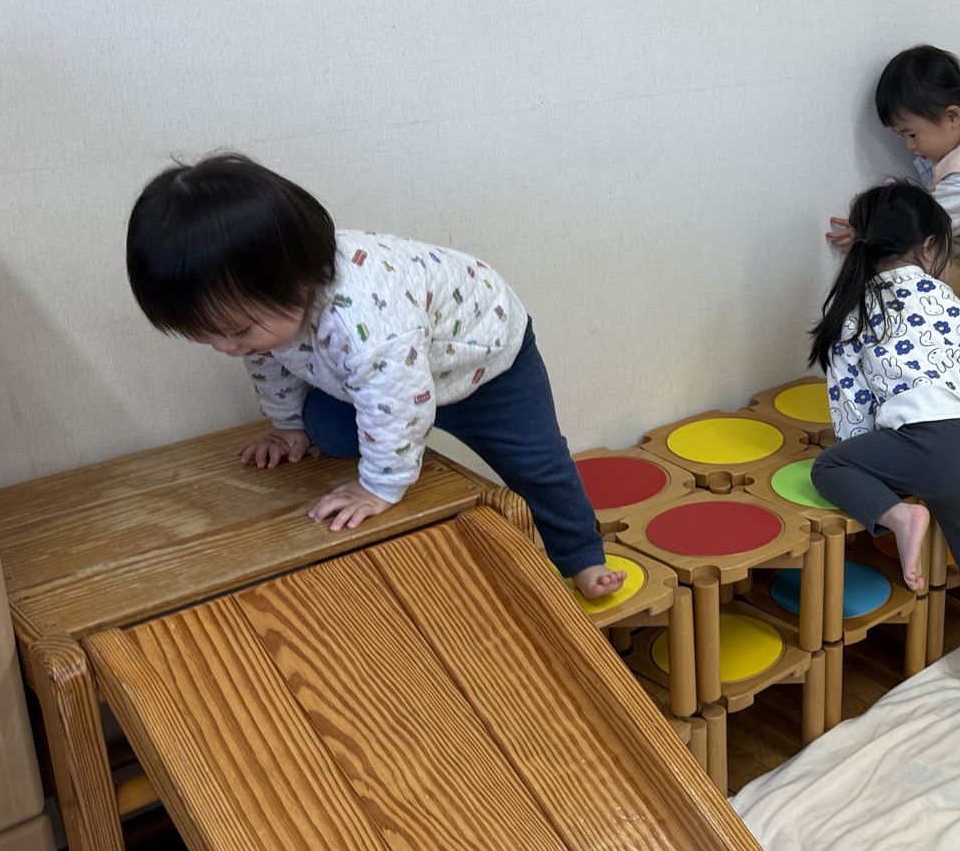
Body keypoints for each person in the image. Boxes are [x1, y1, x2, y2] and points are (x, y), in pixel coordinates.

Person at [124, 152, 622, 600]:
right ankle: (382, 440)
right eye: (207, 335)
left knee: (537, 463)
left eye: (237, 331)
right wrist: (287, 427)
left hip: (485, 362)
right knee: (327, 428)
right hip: (393, 374)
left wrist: (380, 487)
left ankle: (582, 556)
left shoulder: (365, 321)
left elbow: (399, 398)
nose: (225, 347)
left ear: (300, 280)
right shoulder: (267, 312)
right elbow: (269, 358)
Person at [809, 181, 960, 691]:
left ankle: (901, 517)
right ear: (928, 247)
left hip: (919, 441)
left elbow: (851, 400)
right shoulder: (951, 302)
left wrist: (864, 452)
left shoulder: (858, 306)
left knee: (830, 466)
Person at [828, 45, 960, 345]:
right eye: (902, 136)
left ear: (952, 116)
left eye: (912, 134)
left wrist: (870, 232)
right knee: (915, 272)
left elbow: (921, 221)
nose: (909, 146)